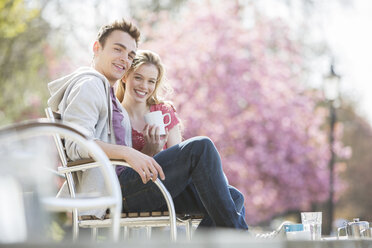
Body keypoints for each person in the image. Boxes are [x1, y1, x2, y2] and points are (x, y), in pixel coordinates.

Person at [47, 18, 248, 230]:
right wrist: (127, 152)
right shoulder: (88, 85)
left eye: (130, 55)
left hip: (126, 186)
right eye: (118, 49)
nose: (124, 59)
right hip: (112, 192)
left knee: (232, 197)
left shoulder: (108, 93)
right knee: (200, 148)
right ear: (97, 48)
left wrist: (145, 151)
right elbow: (77, 145)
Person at [116, 50, 182, 158]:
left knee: (203, 144)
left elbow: (179, 161)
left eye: (151, 81)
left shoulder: (164, 111)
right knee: (203, 144)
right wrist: (148, 151)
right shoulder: (115, 117)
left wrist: (159, 150)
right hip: (136, 175)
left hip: (170, 174)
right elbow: (121, 172)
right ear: (124, 77)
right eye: (138, 78)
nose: (144, 86)